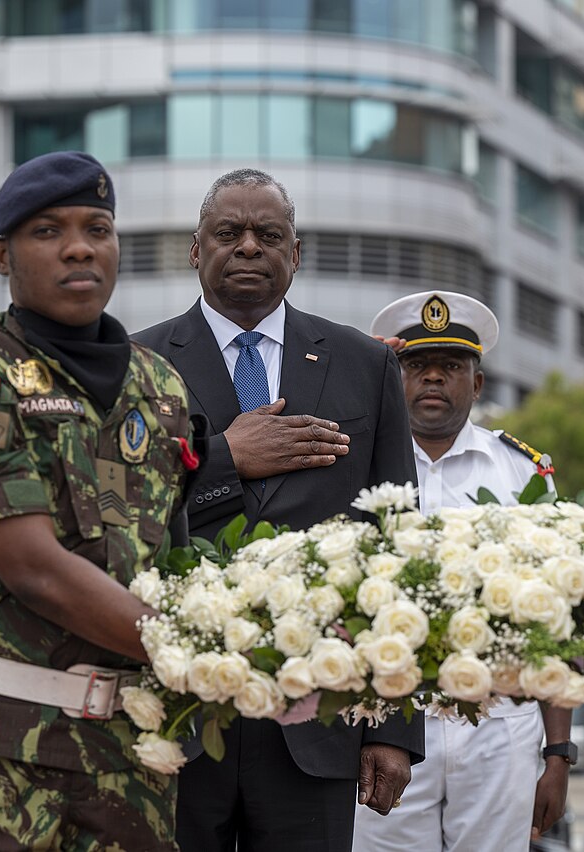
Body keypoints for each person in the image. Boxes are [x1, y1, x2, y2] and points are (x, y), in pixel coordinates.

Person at [0, 151, 194, 851]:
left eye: (98, 227)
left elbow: (169, 555)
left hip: (133, 758)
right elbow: (34, 568)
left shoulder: (161, 388)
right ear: (4, 254)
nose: (80, 246)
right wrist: (197, 651)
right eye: (48, 231)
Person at [132, 168, 423, 852]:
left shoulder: (364, 365)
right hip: (177, 717)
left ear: (297, 253)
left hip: (319, 720)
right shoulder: (138, 366)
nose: (249, 247)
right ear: (195, 251)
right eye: (227, 233)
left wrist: (392, 727)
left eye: (269, 235)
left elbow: (398, 548)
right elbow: (124, 527)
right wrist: (226, 458)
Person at [354, 291, 575, 851]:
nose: (432, 379)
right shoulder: (355, 467)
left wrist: (558, 752)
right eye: (415, 366)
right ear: (393, 376)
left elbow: (556, 617)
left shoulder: (523, 473)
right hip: (388, 725)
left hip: (499, 726)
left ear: (476, 384)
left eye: (450, 367)